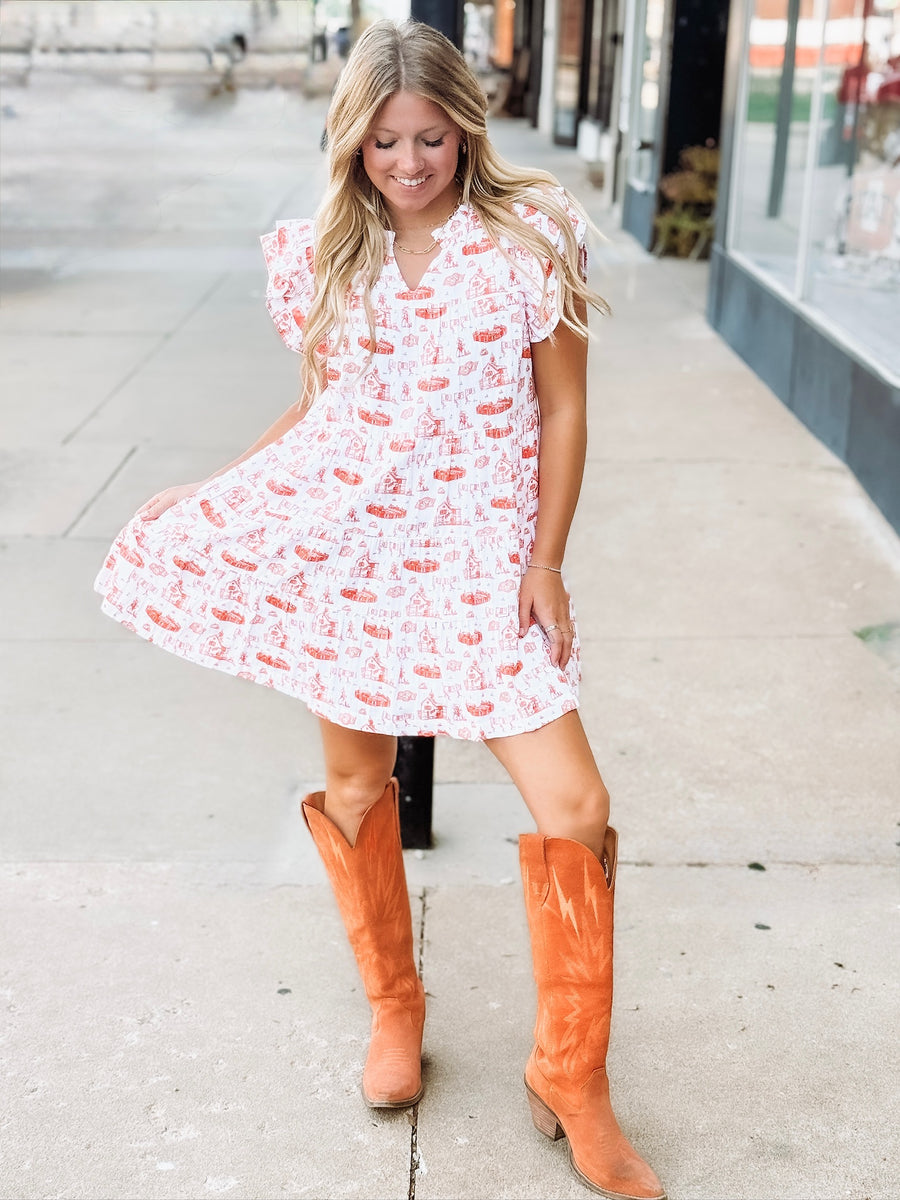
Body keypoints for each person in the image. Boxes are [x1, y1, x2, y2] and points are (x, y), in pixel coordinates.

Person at [94, 19, 665, 1200]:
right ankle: (395, 1011)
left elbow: (563, 411)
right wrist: (216, 492)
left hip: (478, 567)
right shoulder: (319, 257)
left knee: (578, 802)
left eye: (431, 138)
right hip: (349, 561)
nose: (409, 163)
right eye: (385, 142)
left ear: (466, 127)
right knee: (359, 789)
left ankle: (574, 1077)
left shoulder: (528, 241)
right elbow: (318, 414)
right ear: (352, 142)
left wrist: (545, 563)